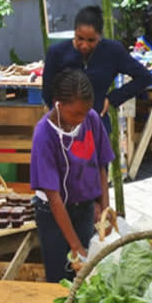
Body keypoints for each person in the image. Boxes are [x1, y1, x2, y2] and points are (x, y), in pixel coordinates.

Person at [31, 69, 114, 283]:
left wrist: (105, 211)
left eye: (85, 113)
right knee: (62, 278)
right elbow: (54, 196)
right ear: (58, 104)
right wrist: (75, 246)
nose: (81, 119)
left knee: (90, 278)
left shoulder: (92, 119)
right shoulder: (44, 134)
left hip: (85, 209)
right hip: (53, 214)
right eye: (75, 114)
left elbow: (101, 168)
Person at [42, 6, 152, 134]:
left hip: (97, 127)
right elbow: (47, 92)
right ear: (74, 33)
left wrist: (112, 98)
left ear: (100, 36)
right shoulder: (57, 53)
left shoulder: (112, 51)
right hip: (63, 128)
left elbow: (144, 77)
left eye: (91, 40)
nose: (84, 45)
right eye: (79, 38)